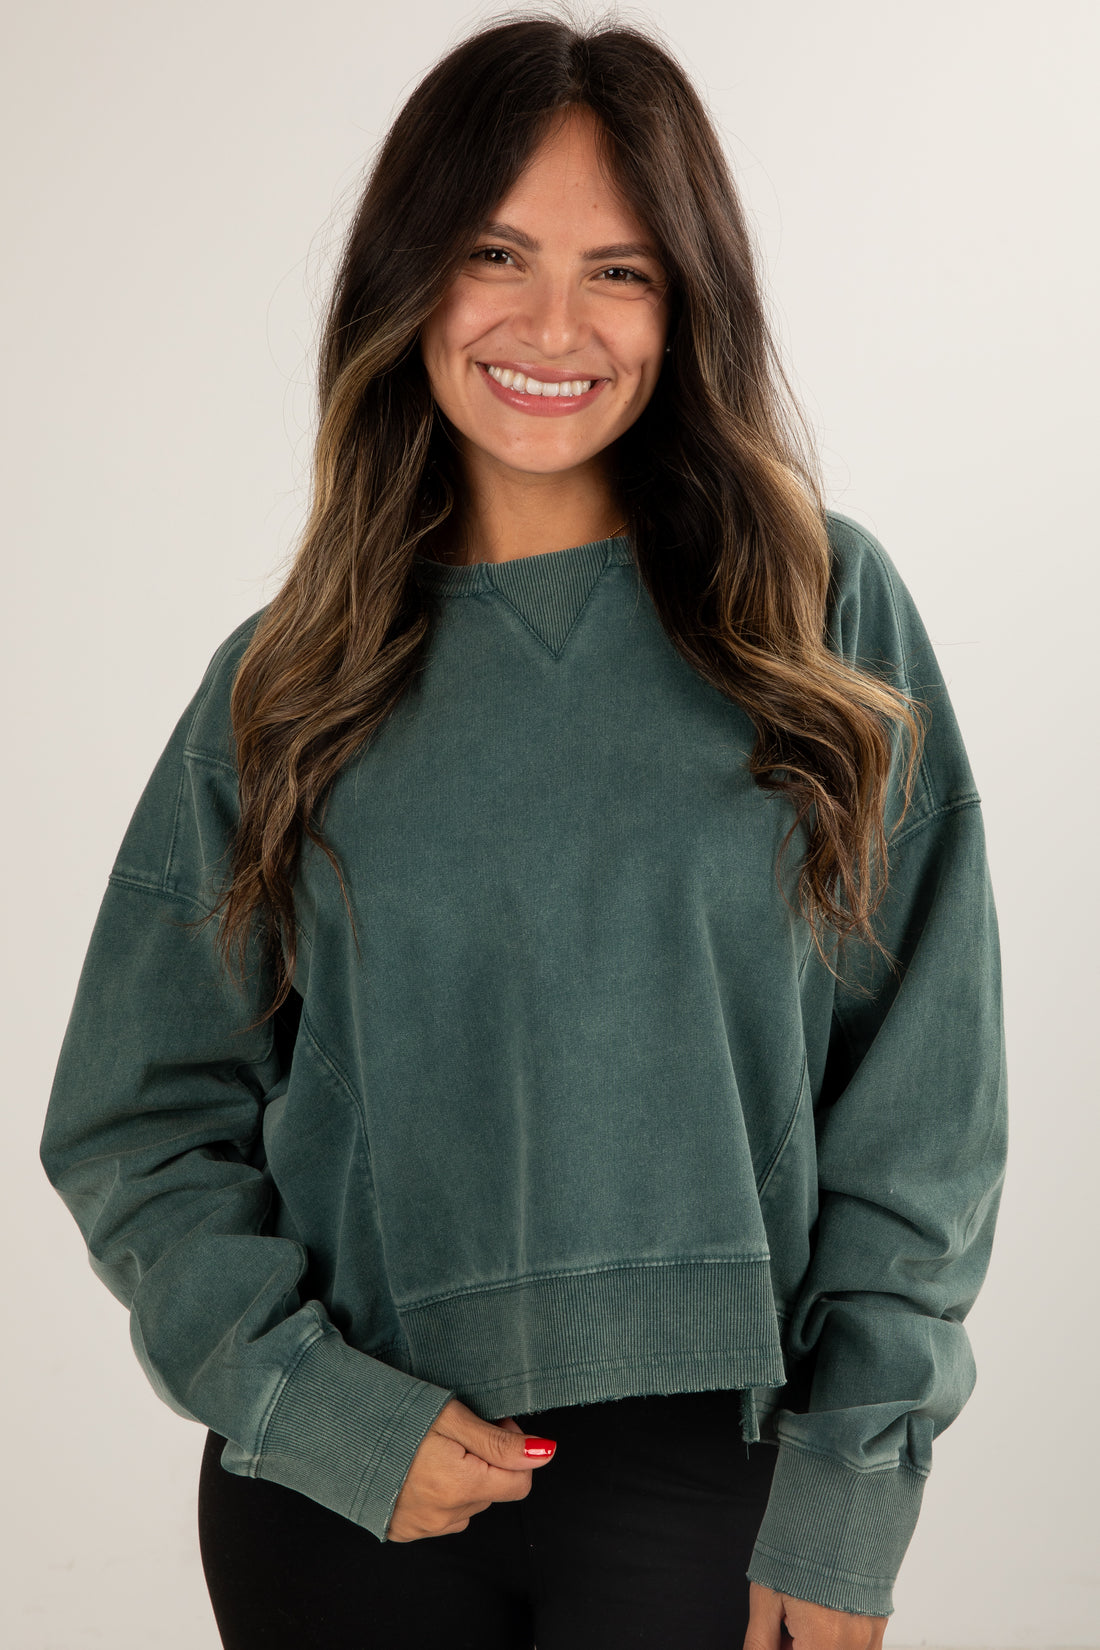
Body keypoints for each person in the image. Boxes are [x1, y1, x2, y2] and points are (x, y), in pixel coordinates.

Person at [39, 13, 1008, 1650]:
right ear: (411, 275)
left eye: (620, 269)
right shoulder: (287, 681)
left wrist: (856, 1486)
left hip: (721, 1484)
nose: (554, 323)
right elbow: (136, 1120)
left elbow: (925, 1109)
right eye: (498, 252)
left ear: (688, 297)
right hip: (351, 1490)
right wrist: (304, 1400)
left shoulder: (823, 612)